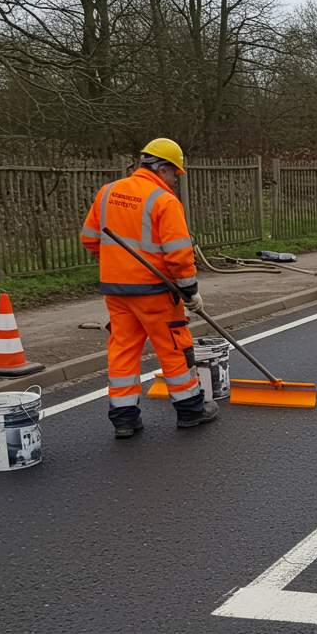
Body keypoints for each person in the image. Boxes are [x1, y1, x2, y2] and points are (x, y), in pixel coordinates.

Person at [80, 138, 217, 439]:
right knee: (173, 347)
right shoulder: (163, 201)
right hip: (155, 291)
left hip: (116, 291)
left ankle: (124, 419)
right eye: (174, 174)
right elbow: (178, 253)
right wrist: (189, 290)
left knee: (123, 350)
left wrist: (116, 263)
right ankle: (191, 411)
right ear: (163, 168)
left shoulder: (108, 193)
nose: (174, 181)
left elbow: (90, 238)